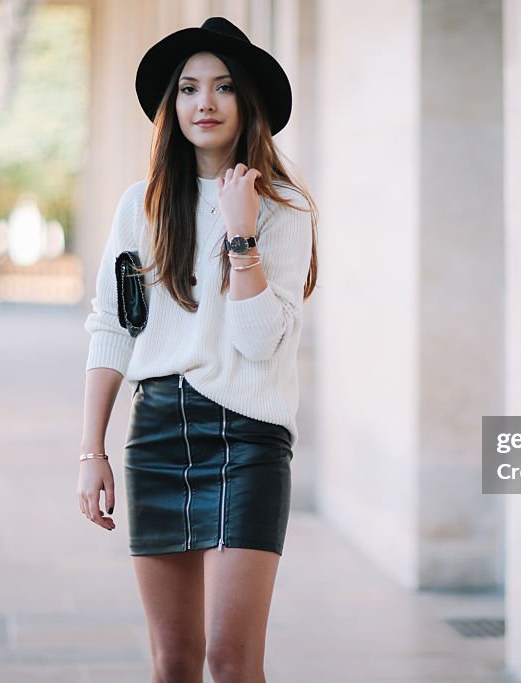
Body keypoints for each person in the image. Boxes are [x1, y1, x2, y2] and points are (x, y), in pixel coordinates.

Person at [76, 17, 317, 683]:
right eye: (187, 88)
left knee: (232, 662)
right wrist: (91, 450)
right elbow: (112, 327)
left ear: (248, 105)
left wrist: (242, 237)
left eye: (222, 87)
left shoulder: (284, 208)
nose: (203, 102)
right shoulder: (141, 206)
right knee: (173, 662)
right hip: (155, 435)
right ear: (172, 105)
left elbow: (258, 342)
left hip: (248, 441)